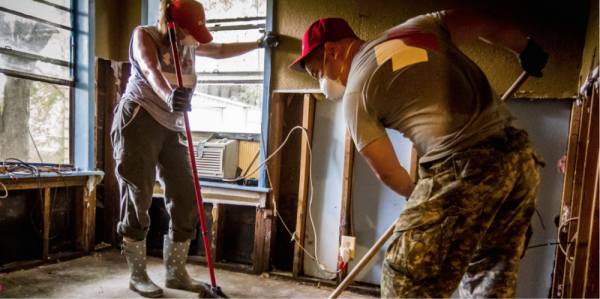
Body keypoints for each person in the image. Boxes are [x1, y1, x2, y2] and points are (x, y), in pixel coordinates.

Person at [288, 10, 547, 298]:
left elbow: (387, 172)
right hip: (521, 158)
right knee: (489, 274)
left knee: (405, 280)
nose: (322, 83)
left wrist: (422, 200)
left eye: (317, 72)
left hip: (463, 165)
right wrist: (526, 48)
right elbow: (484, 21)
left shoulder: (355, 95)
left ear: (332, 51)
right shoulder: (418, 28)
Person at [111, 0, 278, 297]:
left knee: (187, 196)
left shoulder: (188, 44)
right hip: (139, 119)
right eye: (193, 30)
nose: (197, 39)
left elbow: (222, 50)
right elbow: (150, 70)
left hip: (173, 126)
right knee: (138, 195)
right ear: (173, 25)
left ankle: (176, 274)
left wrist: (258, 42)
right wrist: (170, 94)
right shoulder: (144, 35)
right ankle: (137, 275)